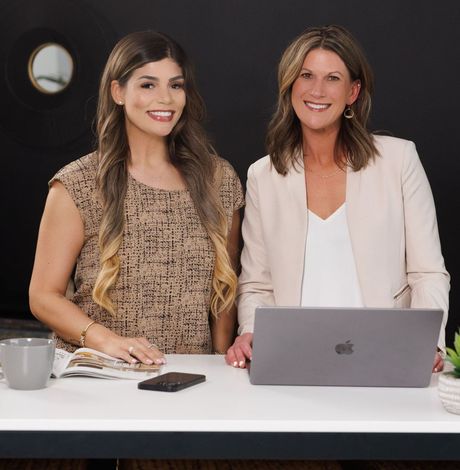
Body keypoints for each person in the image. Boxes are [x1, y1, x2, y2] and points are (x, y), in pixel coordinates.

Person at [226, 24, 449, 372]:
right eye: (306, 75)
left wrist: (427, 341)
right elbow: (257, 283)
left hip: (388, 357)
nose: (317, 90)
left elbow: (427, 272)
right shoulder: (263, 176)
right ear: (290, 86)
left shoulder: (398, 160)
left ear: (353, 91)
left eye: (332, 78)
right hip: (295, 359)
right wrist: (251, 331)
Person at [29, 30, 244, 367]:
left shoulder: (218, 180)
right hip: (100, 378)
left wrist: (220, 366)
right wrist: (108, 341)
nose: (166, 98)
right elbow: (42, 296)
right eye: (148, 85)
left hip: (192, 383)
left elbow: (224, 296)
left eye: (176, 85)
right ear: (118, 91)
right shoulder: (79, 183)